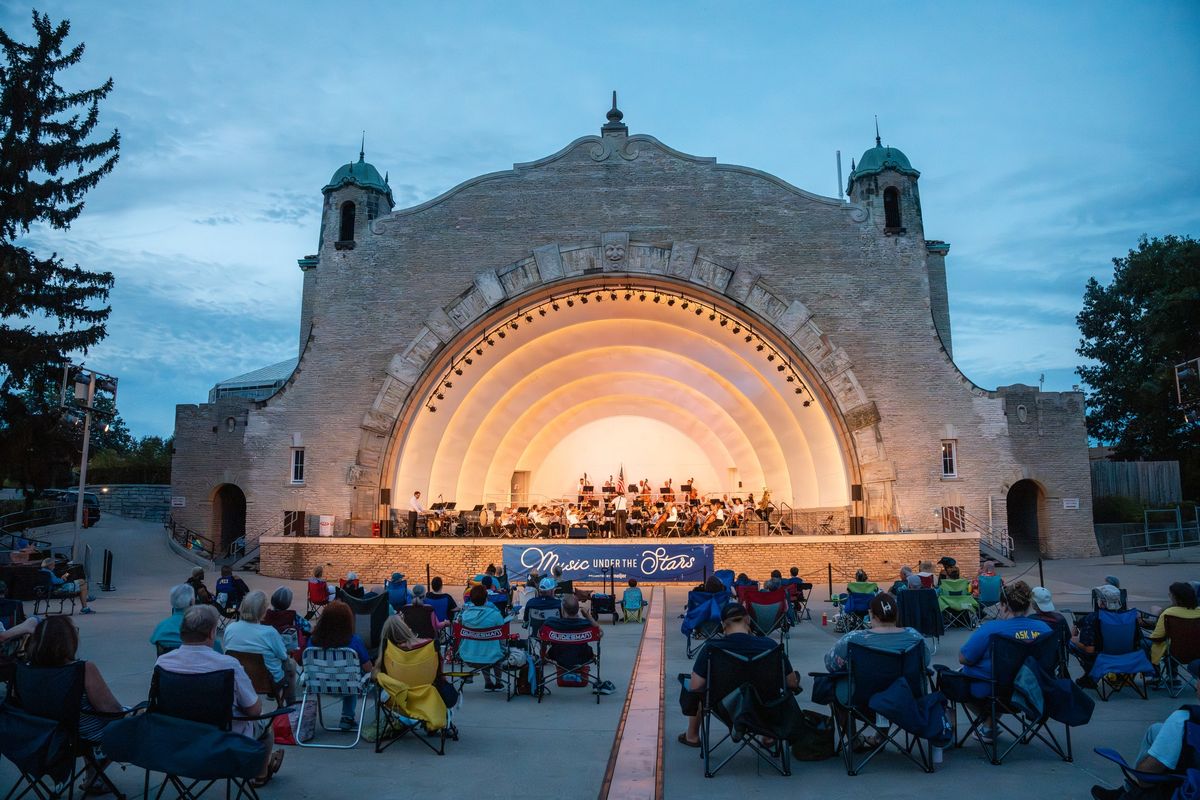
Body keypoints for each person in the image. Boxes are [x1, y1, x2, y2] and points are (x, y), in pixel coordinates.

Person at [158, 605, 284, 786]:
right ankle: (260, 774)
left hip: (177, 740)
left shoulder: (163, 663)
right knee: (265, 726)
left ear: (181, 632)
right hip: (223, 741)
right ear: (211, 634)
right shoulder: (228, 665)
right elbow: (254, 710)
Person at [677, 603, 800, 747]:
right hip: (764, 705)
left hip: (724, 705)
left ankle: (692, 736)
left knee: (694, 685)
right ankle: (768, 735)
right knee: (777, 689)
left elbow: (696, 686)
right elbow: (791, 683)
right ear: (747, 620)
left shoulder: (712, 648)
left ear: (723, 625)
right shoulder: (770, 646)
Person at [28, 616, 127, 790]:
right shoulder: (82, 669)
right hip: (75, 736)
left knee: (83, 719)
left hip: (41, 733)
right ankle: (95, 772)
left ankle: (92, 776)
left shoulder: (26, 669)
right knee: (134, 718)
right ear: (69, 641)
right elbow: (111, 710)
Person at [956, 580, 1050, 742]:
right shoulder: (1045, 629)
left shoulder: (992, 629)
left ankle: (985, 725)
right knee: (1003, 674)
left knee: (952, 678)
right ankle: (988, 726)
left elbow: (965, 658)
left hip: (995, 690)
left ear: (1005, 605)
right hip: (1032, 690)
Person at [1091, 662, 1200, 799]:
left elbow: (1145, 779)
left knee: (1146, 773)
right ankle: (1127, 789)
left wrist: (1142, 773)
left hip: (1190, 782)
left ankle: (1131, 794)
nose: (1196, 685)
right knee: (1155, 730)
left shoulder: (1184, 720)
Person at [307, 600, 374, 729]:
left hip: (319, 684)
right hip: (347, 685)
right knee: (351, 675)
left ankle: (347, 717)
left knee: (348, 674)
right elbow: (368, 668)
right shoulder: (354, 641)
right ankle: (347, 717)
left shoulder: (313, 640)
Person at [223, 590, 298, 703]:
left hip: (238, 679)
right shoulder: (269, 632)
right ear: (263, 611)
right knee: (291, 664)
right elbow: (283, 656)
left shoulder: (230, 628)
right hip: (268, 683)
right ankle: (291, 704)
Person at [374, 614, 459, 710]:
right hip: (426, 698)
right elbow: (439, 674)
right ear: (406, 629)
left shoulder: (387, 653)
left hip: (397, 702)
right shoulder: (428, 646)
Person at [1072, 583, 1125, 685]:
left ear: (1101, 603)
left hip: (1103, 658)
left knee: (1070, 642)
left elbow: (1089, 649)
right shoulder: (1128, 617)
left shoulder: (1093, 618)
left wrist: (1072, 638)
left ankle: (1090, 676)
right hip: (1128, 657)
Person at [457, 584, 506, 691]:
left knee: (483, 644)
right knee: (493, 647)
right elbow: (503, 635)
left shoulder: (464, 616)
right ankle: (498, 682)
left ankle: (488, 682)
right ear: (486, 598)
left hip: (468, 655)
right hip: (492, 656)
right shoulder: (495, 615)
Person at [1145, 582, 1200, 667]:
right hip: (1197, 653)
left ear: (1176, 597)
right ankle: (1172, 676)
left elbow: (1157, 638)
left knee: (1143, 643)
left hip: (1176, 654)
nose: (1169, 595)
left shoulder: (1169, 613)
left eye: (1170, 594)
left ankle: (1156, 675)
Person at [150, 583, 197, 652]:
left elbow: (154, 640)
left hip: (166, 661)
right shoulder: (198, 628)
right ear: (191, 602)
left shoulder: (161, 627)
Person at [264, 586, 310, 651]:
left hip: (268, 646)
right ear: (288, 603)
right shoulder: (293, 615)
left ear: (272, 600)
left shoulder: (264, 614)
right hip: (287, 647)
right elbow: (307, 627)